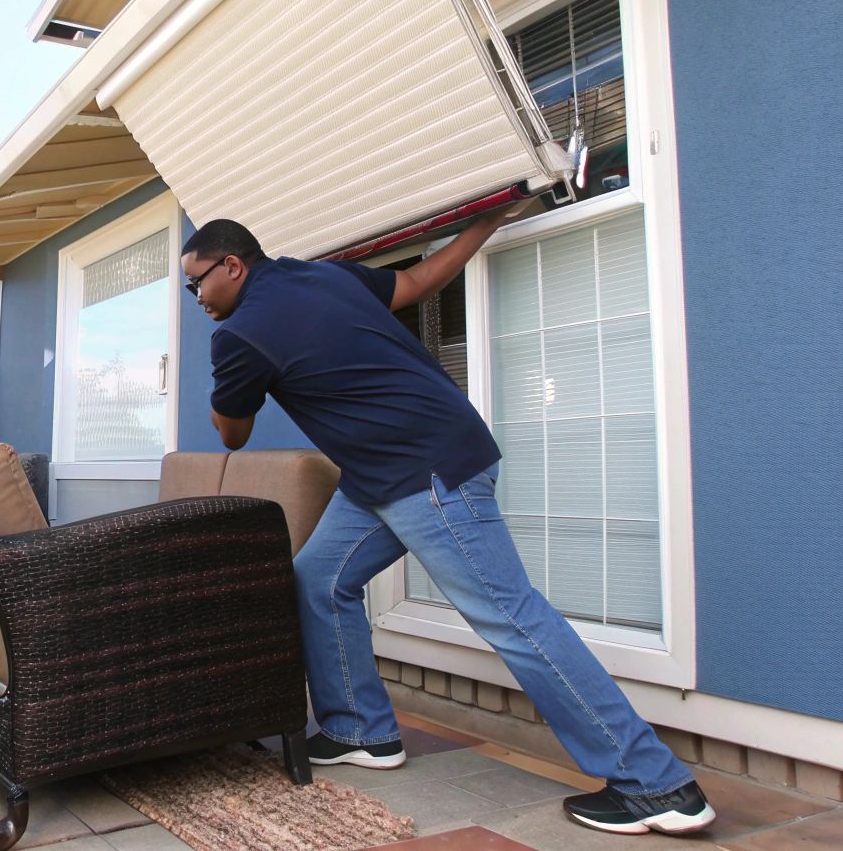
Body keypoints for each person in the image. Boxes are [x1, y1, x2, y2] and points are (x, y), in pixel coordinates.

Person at [182, 206, 716, 837]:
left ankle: (656, 785)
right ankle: (362, 729)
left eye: (198, 284)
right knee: (319, 578)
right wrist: (483, 224)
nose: (197, 299)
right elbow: (414, 284)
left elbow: (232, 434)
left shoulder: (241, 335)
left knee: (512, 616)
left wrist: (227, 387)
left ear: (233, 265)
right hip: (390, 472)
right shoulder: (324, 277)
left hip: (425, 473)